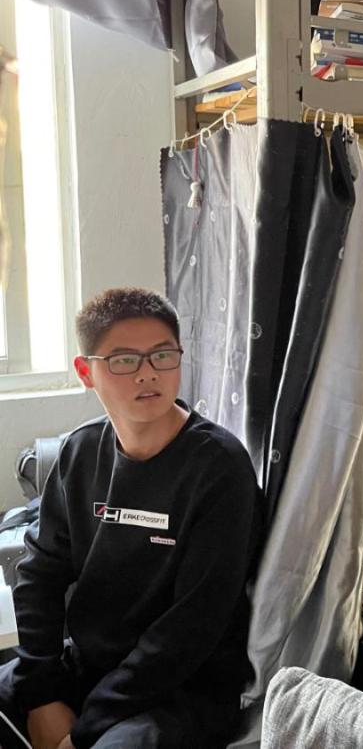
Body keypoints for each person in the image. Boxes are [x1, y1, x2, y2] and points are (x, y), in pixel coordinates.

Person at [0, 288, 264, 749]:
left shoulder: (219, 467)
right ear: (86, 371)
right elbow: (40, 575)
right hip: (90, 663)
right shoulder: (79, 452)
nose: (147, 373)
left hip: (182, 685)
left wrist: (82, 731)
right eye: (124, 360)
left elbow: (194, 624)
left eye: (162, 355)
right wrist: (41, 695)